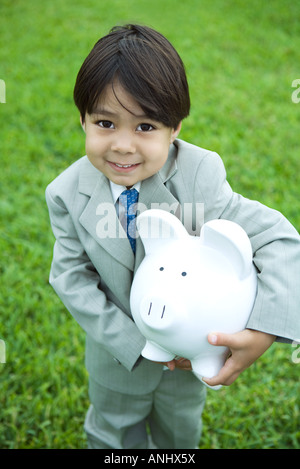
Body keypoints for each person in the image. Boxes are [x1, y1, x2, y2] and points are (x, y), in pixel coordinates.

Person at [45, 24, 300, 449]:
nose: (123, 145)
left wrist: (263, 329)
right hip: (117, 359)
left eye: (145, 127)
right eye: (105, 123)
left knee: (179, 435)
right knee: (111, 431)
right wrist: (136, 343)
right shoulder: (67, 193)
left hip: (188, 358)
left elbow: (277, 238)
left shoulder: (198, 177)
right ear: (83, 120)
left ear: (175, 129)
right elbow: (70, 276)